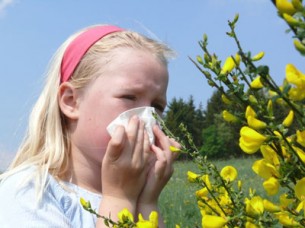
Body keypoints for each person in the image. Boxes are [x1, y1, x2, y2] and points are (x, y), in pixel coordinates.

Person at [0, 24, 179, 227]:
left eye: (157, 106)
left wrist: (147, 202)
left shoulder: (139, 196)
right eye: (129, 97)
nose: (147, 117)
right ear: (71, 101)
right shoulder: (28, 191)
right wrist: (119, 199)